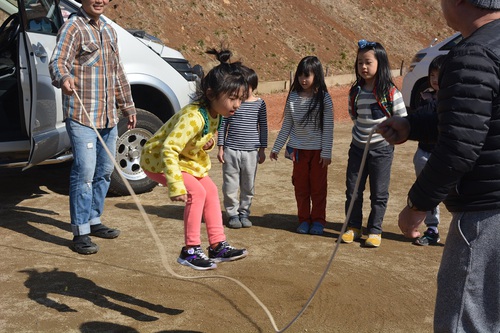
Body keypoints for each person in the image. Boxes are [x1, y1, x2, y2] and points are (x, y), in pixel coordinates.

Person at [378, 0, 500, 330]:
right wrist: (412, 125)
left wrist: (417, 205)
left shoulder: (473, 54)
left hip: (485, 215)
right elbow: (477, 116)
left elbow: (460, 147)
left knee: (465, 319)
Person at [140, 48, 248, 271]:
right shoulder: (193, 117)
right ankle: (189, 249)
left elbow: (196, 138)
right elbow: (169, 147)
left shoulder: (216, 113)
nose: (237, 105)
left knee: (209, 189)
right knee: (196, 192)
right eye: (232, 98)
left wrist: (204, 143)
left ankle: (217, 245)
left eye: (240, 99)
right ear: (211, 94)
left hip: (183, 160)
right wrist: (176, 185)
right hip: (158, 159)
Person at [49, 0, 137, 255]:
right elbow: (57, 62)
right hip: (82, 116)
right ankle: (80, 232)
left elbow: (118, 73)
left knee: (105, 171)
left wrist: (128, 107)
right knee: (84, 172)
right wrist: (64, 77)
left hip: (109, 116)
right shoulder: (73, 27)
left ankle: (94, 220)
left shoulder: (109, 29)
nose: (99, 0)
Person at [341, 40, 407, 248]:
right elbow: (354, 116)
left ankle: (375, 230)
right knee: (353, 190)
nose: (363, 67)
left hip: (382, 150)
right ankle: (353, 226)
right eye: (360, 62)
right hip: (357, 148)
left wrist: (389, 134)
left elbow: (403, 120)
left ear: (381, 63)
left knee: (379, 192)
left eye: (368, 62)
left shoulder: (391, 93)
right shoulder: (356, 92)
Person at [269, 56, 334, 236]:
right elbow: (287, 125)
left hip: (319, 153)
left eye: (307, 75)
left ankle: (319, 221)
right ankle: (304, 220)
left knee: (318, 189)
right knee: (301, 188)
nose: (303, 79)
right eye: (300, 75)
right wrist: (276, 147)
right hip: (298, 151)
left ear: (317, 76)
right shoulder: (293, 97)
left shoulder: (324, 99)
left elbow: (329, 128)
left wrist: (327, 152)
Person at [217, 66, 268, 229]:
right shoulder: (231, 104)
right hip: (231, 149)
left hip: (252, 151)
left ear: (253, 85)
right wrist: (221, 147)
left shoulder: (260, 104)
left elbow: (263, 127)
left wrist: (262, 149)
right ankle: (232, 214)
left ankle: (244, 212)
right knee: (230, 184)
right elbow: (223, 124)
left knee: (248, 184)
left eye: (247, 86)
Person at [411, 55, 446, 246]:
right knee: (427, 191)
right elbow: (419, 118)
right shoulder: (425, 96)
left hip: (445, 156)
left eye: (439, 75)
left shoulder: (455, 98)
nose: (434, 79)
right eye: (432, 74)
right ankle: (432, 228)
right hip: (423, 153)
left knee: (452, 191)